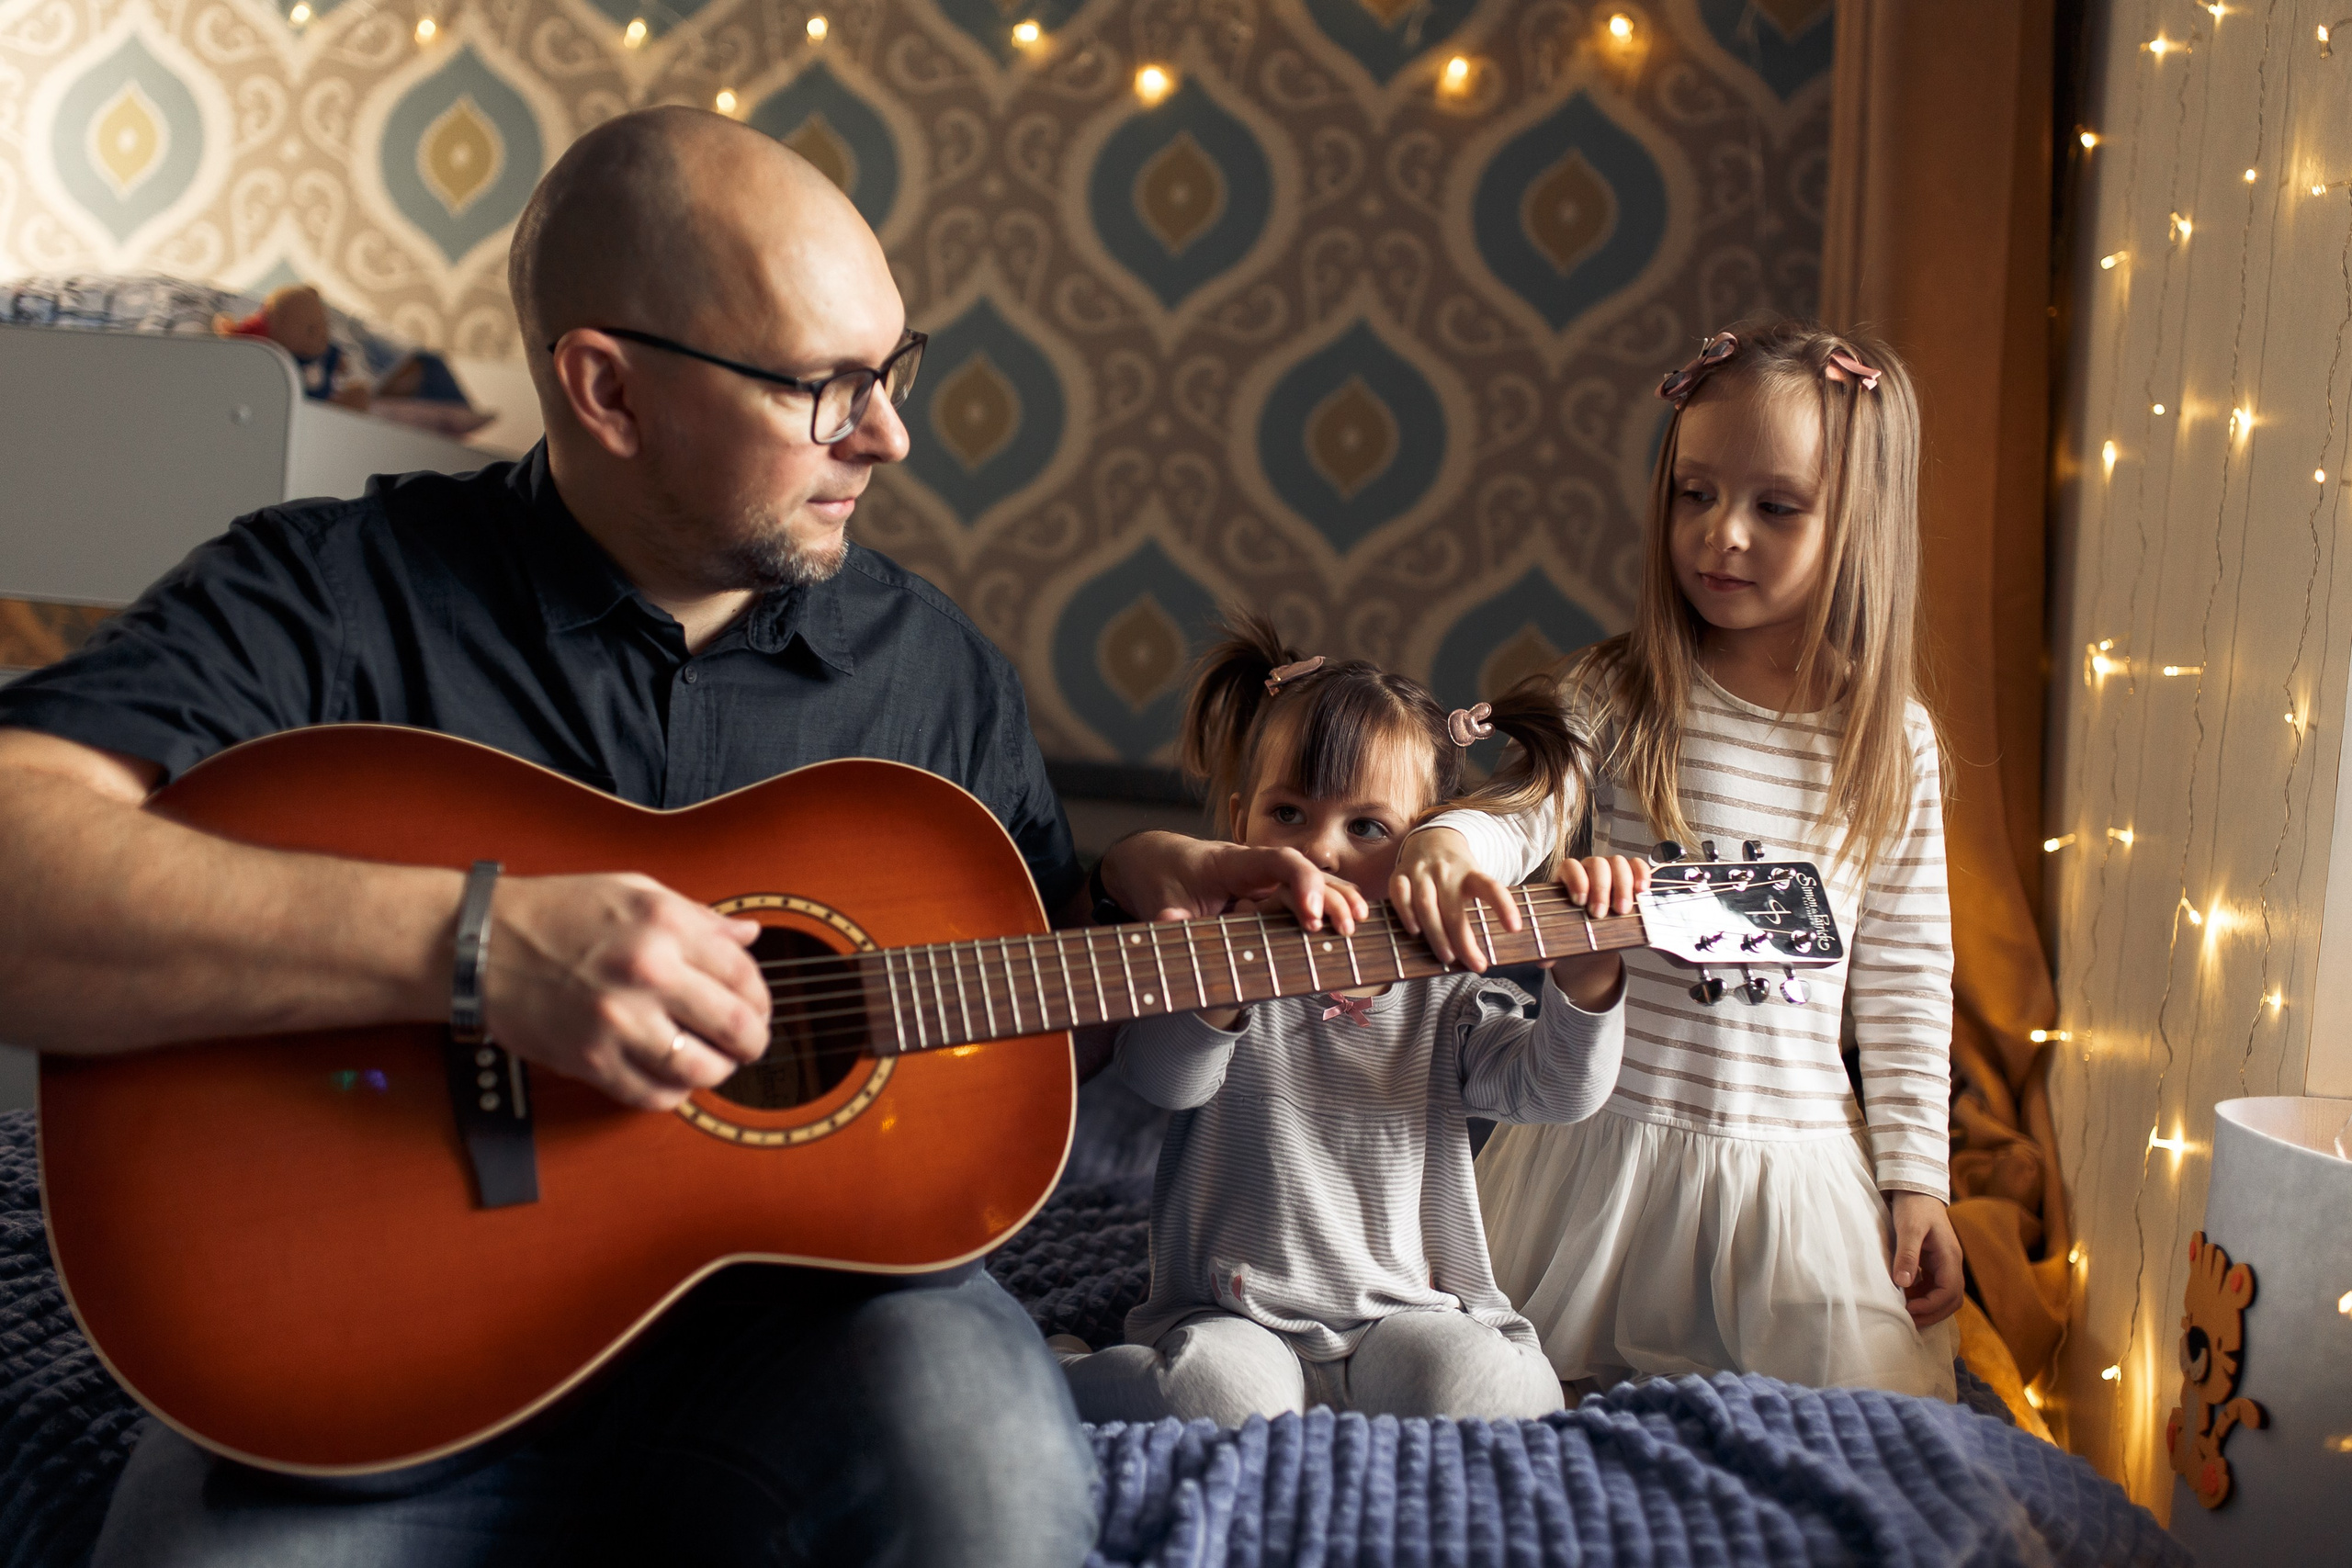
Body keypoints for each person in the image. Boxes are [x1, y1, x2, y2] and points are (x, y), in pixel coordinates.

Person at [0, 108, 1364, 1566]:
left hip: (820, 1335)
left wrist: (1128, 898)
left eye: (893, 371)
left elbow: (1003, 999)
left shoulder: (934, 673)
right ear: (608, 388)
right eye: (826, 386)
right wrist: (472, 946)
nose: (890, 434)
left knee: (993, 1486)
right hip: (366, 1359)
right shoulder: (329, 594)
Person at [1389, 320, 1966, 1399]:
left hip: (1790, 1175)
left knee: (1874, 1418)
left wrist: (1916, 1181)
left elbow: (1902, 977)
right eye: (1694, 494)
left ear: (1859, 523)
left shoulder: (1891, 744)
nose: (1722, 535)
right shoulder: (1613, 696)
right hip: (1603, 1161)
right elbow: (1516, 809)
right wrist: (1445, 841)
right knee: (1487, 1386)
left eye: (1774, 508)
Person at [1055, 615, 1642, 1426]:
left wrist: (1588, 975)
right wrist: (1222, 977)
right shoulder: (1217, 965)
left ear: (1428, 843)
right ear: (1238, 821)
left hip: (1405, 1312)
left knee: (1500, 1394)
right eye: (1289, 813)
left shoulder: (1445, 996)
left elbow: (1558, 1090)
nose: (1322, 850)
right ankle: (1060, 1371)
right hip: (1237, 1318)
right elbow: (1164, 1077)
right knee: (1215, 1396)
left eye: (1367, 826)